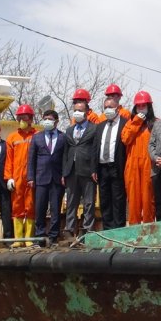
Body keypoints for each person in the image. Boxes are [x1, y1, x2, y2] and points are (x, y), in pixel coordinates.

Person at [28, 110, 66, 247]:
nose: (47, 121)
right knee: (40, 209)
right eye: (45, 119)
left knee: (55, 209)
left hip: (57, 179)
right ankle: (40, 236)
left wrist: (64, 175)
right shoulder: (36, 137)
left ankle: (54, 236)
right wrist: (30, 177)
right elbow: (31, 159)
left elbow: (65, 159)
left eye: (50, 119)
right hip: (40, 178)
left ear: (56, 121)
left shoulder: (63, 137)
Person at [62, 101, 97, 240]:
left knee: (89, 202)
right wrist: (64, 172)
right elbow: (65, 153)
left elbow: (95, 151)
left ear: (87, 112)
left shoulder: (94, 129)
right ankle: (69, 230)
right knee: (71, 202)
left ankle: (88, 230)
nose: (77, 113)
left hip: (87, 170)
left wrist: (94, 169)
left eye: (80, 110)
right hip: (71, 171)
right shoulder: (69, 130)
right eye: (75, 110)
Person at [121, 91, 156, 224]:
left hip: (149, 164)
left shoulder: (156, 123)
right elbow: (125, 139)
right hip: (132, 165)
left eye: (143, 106)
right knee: (133, 199)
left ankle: (149, 229)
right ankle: (134, 229)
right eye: (138, 106)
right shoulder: (130, 123)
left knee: (148, 199)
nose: (141, 108)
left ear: (149, 107)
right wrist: (137, 121)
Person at [4, 104, 36, 247]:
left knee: (30, 206)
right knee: (17, 206)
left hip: (31, 177)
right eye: (19, 118)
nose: (21, 120)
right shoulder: (12, 137)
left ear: (31, 119)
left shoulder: (37, 136)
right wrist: (9, 177)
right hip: (16, 178)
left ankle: (28, 238)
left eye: (24, 117)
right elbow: (9, 160)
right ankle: (18, 239)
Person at [93, 97, 127, 230]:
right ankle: (107, 229)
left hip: (117, 167)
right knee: (105, 199)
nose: (107, 110)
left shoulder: (125, 124)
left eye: (110, 107)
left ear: (117, 108)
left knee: (118, 199)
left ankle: (119, 228)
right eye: (105, 107)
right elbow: (95, 148)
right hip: (102, 168)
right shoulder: (100, 126)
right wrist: (94, 169)